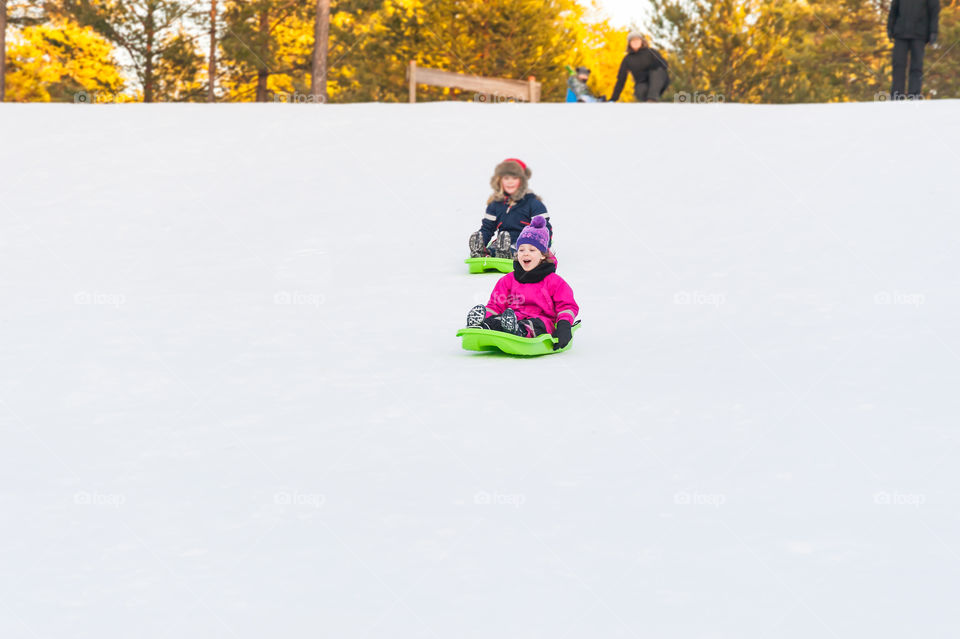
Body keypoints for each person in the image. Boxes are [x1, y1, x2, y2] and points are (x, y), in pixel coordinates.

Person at [466, 216, 578, 350]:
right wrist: (488, 316)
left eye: (532, 250)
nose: (525, 254)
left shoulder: (554, 281)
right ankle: (483, 325)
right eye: (521, 250)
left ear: (542, 255)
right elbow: (495, 305)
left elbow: (566, 306)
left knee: (534, 325)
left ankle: (519, 331)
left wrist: (564, 325)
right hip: (512, 317)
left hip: (542, 320)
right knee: (499, 320)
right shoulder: (507, 280)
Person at [468, 158, 552, 259]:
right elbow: (487, 228)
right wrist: (481, 240)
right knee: (496, 246)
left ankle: (508, 253)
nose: (510, 182)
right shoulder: (495, 204)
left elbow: (544, 228)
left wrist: (541, 249)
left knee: (517, 248)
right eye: (506, 178)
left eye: (514, 178)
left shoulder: (533, 203)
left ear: (522, 181)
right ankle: (482, 252)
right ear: (500, 180)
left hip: (526, 243)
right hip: (502, 241)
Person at [888, 0, 940, 99]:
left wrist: (933, 31)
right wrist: (890, 28)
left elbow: (934, 11)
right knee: (898, 64)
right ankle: (897, 95)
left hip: (919, 34)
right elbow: (894, 9)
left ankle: (914, 95)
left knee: (916, 66)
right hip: (900, 33)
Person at [609, 32, 670, 103]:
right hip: (643, 84)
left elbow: (665, 64)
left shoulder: (651, 52)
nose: (635, 42)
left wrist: (654, 65)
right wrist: (613, 99)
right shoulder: (627, 59)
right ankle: (649, 101)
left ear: (642, 41)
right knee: (640, 89)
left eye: (637, 40)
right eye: (633, 40)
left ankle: (652, 100)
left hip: (658, 81)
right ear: (629, 43)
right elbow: (621, 79)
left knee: (657, 70)